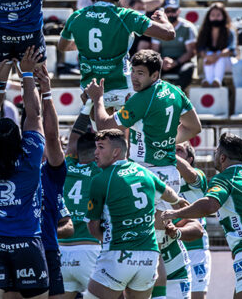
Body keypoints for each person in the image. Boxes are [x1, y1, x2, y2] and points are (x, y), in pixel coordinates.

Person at [88, 49, 202, 257]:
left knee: (142, 239)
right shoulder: (175, 91)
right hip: (170, 173)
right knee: (156, 241)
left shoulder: (142, 99)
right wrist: (165, 140)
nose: (134, 77)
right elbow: (194, 127)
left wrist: (97, 99)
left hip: (145, 173)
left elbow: (104, 126)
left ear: (155, 75)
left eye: (140, 73)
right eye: (133, 71)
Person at [0, 46, 50, 298]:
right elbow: (34, 115)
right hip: (27, 240)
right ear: (19, 140)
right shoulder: (30, 157)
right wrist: (27, 74)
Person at [163, 133, 242, 299]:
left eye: (216, 152)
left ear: (222, 157)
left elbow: (210, 205)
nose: (215, 156)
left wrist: (176, 213)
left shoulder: (224, 178)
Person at [58, 0, 175, 111]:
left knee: (101, 126)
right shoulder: (126, 16)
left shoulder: (76, 16)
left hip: (92, 88)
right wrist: (164, 19)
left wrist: (85, 43)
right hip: (123, 86)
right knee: (130, 124)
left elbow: (62, 47)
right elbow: (169, 34)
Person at [86, 128, 188, 299]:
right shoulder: (144, 172)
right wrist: (178, 201)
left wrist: (108, 240)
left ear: (116, 152)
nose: (95, 153)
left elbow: (93, 227)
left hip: (119, 254)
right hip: (149, 258)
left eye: (101, 147)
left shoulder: (101, 179)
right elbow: (168, 192)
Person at [35, 65, 73, 299]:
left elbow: (68, 226)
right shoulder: (14, 170)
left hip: (48, 249)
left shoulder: (51, 174)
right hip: (19, 248)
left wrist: (46, 92)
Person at [58, 125, 100, 299]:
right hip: (89, 249)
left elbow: (73, 142)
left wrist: (85, 111)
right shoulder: (100, 171)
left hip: (61, 251)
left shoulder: (64, 167)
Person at [174, 142, 212, 299]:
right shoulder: (162, 180)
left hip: (195, 248)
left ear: (189, 159)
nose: (173, 152)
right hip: (172, 248)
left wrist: (167, 152)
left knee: (196, 296)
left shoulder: (197, 175)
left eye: (179, 150)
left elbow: (190, 175)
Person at [156, 0, 197, 89]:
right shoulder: (157, 27)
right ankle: (155, 93)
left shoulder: (187, 27)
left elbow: (191, 52)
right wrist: (162, 61)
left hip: (181, 61)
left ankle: (177, 92)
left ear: (179, 11)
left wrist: (176, 62)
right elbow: (154, 50)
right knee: (151, 68)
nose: (170, 14)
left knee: (188, 68)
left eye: (173, 11)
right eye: (167, 11)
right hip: (162, 61)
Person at [195, 2, 236, 88]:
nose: (215, 18)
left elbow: (231, 49)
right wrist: (207, 56)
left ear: (223, 16)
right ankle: (210, 82)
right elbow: (200, 48)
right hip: (210, 61)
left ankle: (217, 81)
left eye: (218, 15)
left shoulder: (230, 31)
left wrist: (216, 56)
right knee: (209, 54)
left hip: (228, 62)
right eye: (213, 15)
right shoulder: (204, 32)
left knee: (220, 57)